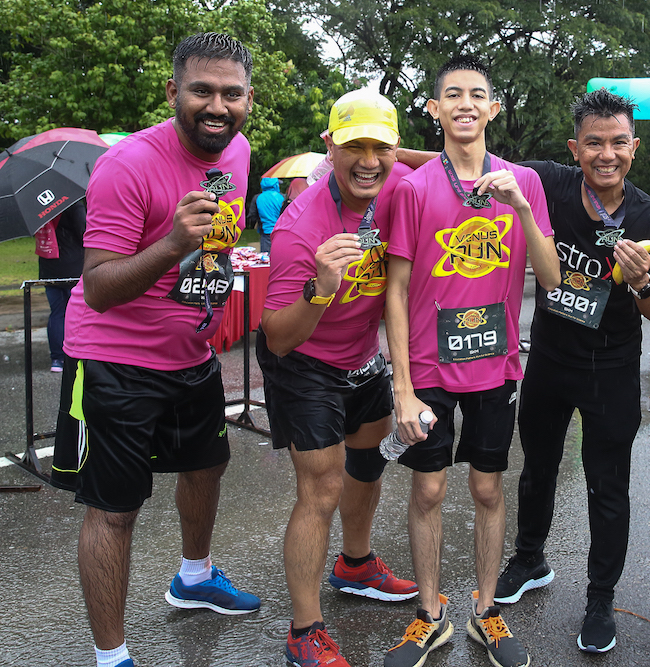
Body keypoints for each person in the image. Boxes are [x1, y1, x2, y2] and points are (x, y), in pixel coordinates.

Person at [48, 33, 260, 667]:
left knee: (206, 468)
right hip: (114, 360)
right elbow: (98, 287)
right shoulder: (129, 166)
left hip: (191, 353)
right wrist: (171, 244)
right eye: (202, 91)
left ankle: (194, 578)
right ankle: (111, 656)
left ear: (248, 99)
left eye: (231, 93)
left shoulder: (238, 151)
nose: (217, 106)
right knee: (115, 510)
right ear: (173, 92)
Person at [383, 54, 560, 667]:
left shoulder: (523, 183)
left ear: (493, 108)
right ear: (435, 110)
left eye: (477, 94)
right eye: (452, 94)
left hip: (495, 366)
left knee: (487, 487)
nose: (465, 104)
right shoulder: (413, 188)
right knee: (429, 488)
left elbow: (550, 277)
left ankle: (486, 612)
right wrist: (402, 388)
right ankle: (429, 616)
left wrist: (522, 208)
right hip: (428, 369)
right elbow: (395, 290)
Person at [494, 88, 650, 654]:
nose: (606, 154)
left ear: (634, 147)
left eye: (618, 142)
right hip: (550, 357)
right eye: (594, 143)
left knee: (607, 486)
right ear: (575, 149)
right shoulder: (549, 182)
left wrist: (641, 280)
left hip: (612, 365)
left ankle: (601, 599)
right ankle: (530, 558)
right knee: (537, 467)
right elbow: (467, 163)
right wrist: (388, 152)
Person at [257, 89, 417, 667]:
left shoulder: (399, 183)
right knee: (321, 488)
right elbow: (277, 335)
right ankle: (305, 629)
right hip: (304, 361)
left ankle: (355, 564)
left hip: (362, 355)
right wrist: (321, 288)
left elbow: (451, 165)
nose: (368, 162)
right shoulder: (300, 226)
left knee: (369, 461)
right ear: (330, 147)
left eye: (381, 147)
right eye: (354, 147)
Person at [36, 198, 86, 372]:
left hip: (48, 266)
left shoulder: (38, 203)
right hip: (73, 266)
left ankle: (57, 359)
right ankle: (75, 354)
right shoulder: (72, 202)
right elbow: (84, 232)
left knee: (57, 313)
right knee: (78, 312)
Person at [253, 176, 283, 253]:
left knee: (265, 257)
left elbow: (252, 216)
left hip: (265, 232)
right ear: (275, 185)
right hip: (280, 231)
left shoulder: (258, 197)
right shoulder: (282, 197)